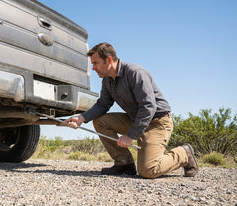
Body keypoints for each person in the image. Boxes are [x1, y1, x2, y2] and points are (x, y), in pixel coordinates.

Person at [65, 42, 198, 178]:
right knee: (100, 121)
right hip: (135, 120)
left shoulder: (135, 73)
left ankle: (184, 154)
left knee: (148, 170)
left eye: (95, 63)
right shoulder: (107, 80)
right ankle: (124, 164)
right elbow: (103, 105)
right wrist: (81, 118)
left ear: (109, 60)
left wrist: (130, 136)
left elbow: (148, 107)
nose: (93, 68)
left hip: (156, 123)